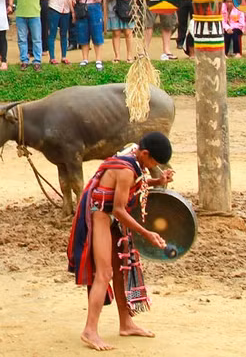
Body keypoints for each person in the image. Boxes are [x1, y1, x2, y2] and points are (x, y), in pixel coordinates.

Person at [68, 132, 173, 351]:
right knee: (104, 274)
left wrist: (157, 181)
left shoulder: (133, 153)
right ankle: (90, 330)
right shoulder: (126, 169)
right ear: (145, 153)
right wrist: (147, 233)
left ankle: (126, 323)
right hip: (101, 216)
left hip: (112, 217)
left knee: (122, 270)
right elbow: (119, 208)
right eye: (154, 162)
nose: (154, 166)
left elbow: (136, 184)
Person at [11, 0, 46, 70]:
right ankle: (24, 60)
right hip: (21, 12)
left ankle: (37, 61)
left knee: (36, 38)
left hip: (34, 13)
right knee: (22, 38)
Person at [73, 0, 105, 70]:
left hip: (95, 8)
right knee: (83, 33)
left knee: (97, 33)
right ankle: (85, 59)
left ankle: (98, 60)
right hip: (82, 8)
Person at [105, 0, 137, 64]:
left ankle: (129, 55)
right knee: (116, 33)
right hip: (113, 10)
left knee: (128, 32)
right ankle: (117, 56)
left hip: (126, 9)